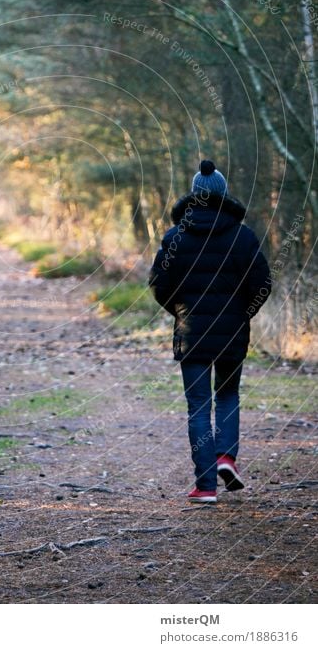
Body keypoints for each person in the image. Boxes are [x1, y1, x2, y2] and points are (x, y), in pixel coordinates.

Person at [148, 160, 271, 504]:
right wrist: (241, 314)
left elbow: (159, 284)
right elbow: (263, 283)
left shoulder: (175, 238)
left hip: (192, 333)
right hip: (232, 333)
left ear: (194, 195)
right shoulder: (242, 236)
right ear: (222, 194)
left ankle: (205, 487)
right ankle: (225, 458)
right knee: (228, 395)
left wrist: (181, 311)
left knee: (199, 406)